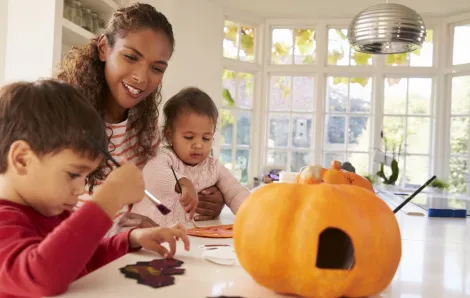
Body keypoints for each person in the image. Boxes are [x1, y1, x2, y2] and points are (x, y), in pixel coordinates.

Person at [0, 80, 190, 298]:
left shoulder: (53, 212)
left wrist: (131, 239)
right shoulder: (4, 221)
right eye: (73, 174)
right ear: (22, 159)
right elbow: (42, 276)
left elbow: (80, 260)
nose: (80, 188)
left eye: (85, 176)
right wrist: (111, 195)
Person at [55, 2, 224, 228]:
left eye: (156, 69)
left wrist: (209, 197)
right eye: (131, 57)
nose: (141, 78)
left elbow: (157, 186)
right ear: (104, 48)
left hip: (119, 253)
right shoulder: (60, 116)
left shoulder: (144, 124)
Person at [131, 87, 250, 227]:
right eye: (189, 137)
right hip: (149, 232)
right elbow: (152, 173)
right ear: (170, 136)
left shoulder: (213, 167)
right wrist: (183, 182)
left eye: (206, 138)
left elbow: (235, 192)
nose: (198, 145)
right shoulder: (166, 157)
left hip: (190, 236)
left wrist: (251, 213)